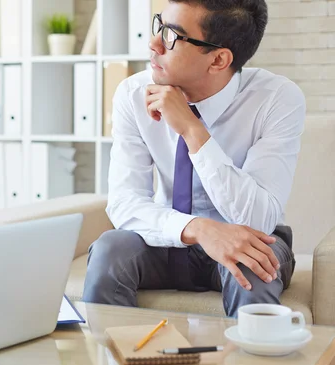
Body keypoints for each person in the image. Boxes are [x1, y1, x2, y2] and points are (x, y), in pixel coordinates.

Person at [82, 0, 306, 317]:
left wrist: (191, 128)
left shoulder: (276, 99)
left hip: (245, 242)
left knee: (254, 262)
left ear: (218, 59)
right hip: (166, 239)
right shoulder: (133, 93)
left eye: (171, 36)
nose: (153, 43)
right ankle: (114, 362)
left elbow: (258, 219)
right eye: (159, 25)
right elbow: (124, 202)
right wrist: (199, 229)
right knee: (109, 250)